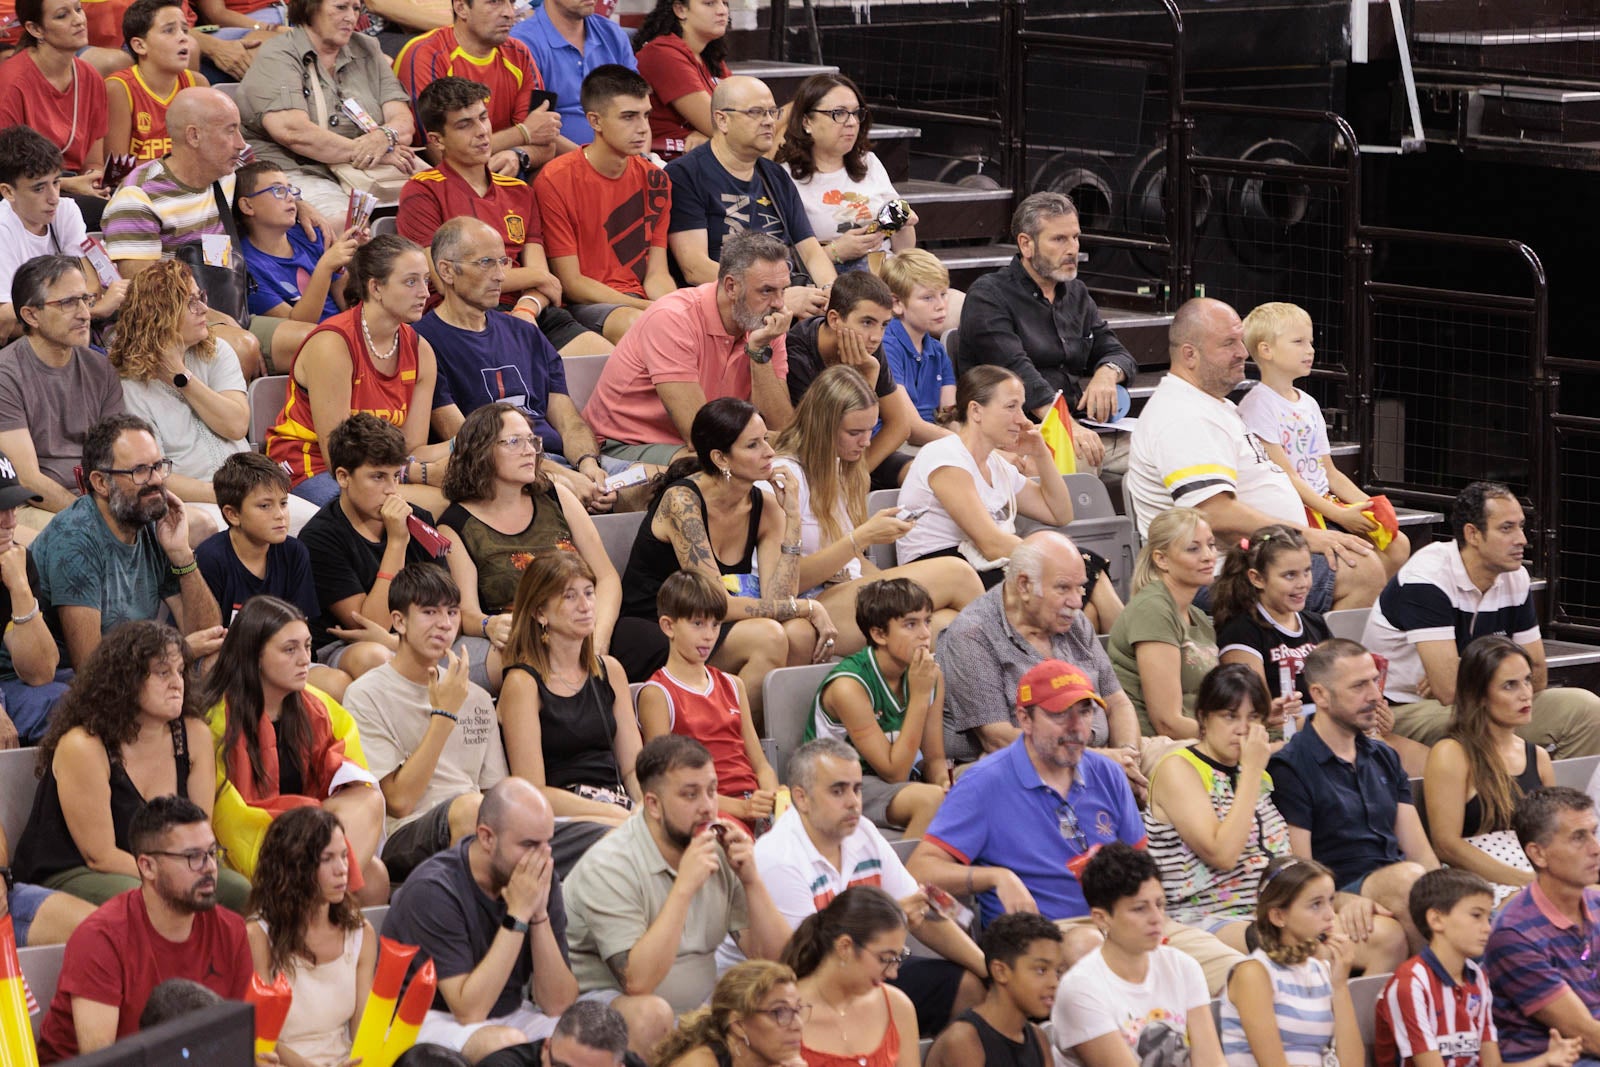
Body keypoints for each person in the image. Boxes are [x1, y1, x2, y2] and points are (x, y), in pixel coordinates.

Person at [907, 659, 1244, 995]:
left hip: (1124, 923)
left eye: (1085, 712)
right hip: (1047, 934)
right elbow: (920, 869)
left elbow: (1139, 867)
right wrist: (997, 877)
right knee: (1091, 948)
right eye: (1059, 714)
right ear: (1024, 718)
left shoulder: (1106, 772)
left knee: (1245, 974)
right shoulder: (984, 783)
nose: (1076, 727)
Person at [1126, 296, 1384, 612]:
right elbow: (1215, 513)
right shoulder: (1183, 416)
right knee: (1362, 571)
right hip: (1215, 574)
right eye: (1228, 343)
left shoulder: (1214, 405)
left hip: (1259, 554)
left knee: (1378, 549)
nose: (1243, 352)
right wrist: (1306, 538)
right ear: (1190, 355)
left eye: (1241, 340)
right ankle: (1314, 660)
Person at [750, 738, 986, 1037]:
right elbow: (803, 965)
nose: (853, 802)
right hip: (798, 996)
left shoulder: (862, 831)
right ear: (802, 798)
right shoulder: (778, 858)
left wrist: (988, 968)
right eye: (838, 791)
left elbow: (920, 911)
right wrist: (888, 921)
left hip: (864, 970)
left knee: (970, 987)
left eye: (857, 789)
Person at [609, 398, 840, 703]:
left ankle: (768, 742)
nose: (770, 452)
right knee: (768, 637)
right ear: (721, 458)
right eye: (753, 445)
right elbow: (715, 602)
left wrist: (793, 518)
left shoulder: (767, 507)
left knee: (799, 633)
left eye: (766, 441)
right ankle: (736, 742)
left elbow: (779, 599)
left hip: (707, 623)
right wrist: (810, 607)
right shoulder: (683, 502)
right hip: (656, 624)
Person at [10, 621, 247, 909]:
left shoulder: (194, 733)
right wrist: (174, 875)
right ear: (126, 681)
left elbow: (197, 830)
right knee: (145, 897)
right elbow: (100, 855)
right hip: (77, 869)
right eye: (163, 672)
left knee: (239, 891)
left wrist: (186, 869)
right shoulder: (84, 745)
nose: (177, 682)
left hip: (170, 863)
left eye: (180, 670)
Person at [1363, 479, 1600, 757]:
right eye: (1507, 528)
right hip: (1404, 709)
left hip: (1483, 701)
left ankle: (1547, 798)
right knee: (1484, 723)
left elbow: (1536, 674)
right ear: (1473, 534)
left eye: (1521, 526)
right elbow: (1449, 691)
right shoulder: (1427, 579)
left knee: (1587, 710)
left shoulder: (1516, 578)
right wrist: (1495, 675)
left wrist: (1467, 670)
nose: (1522, 539)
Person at [563, 735, 788, 1025]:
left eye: (712, 791)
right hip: (604, 1008)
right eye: (690, 795)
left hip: (697, 1004)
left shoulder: (720, 848)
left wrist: (751, 880)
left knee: (789, 995)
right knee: (652, 1016)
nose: (708, 807)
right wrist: (684, 887)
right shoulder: (610, 865)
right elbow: (637, 982)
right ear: (653, 805)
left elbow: (778, 958)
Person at [422, 222, 636, 514]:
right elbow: (469, 442)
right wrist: (559, 475)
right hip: (501, 474)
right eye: (486, 263)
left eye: (503, 262)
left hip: (563, 464)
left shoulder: (525, 332)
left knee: (669, 487)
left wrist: (588, 464)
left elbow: (567, 419)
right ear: (446, 271)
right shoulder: (424, 343)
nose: (500, 275)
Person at [767, 362, 980, 649]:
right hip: (810, 606)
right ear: (822, 425)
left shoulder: (839, 468)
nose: (867, 442)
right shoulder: (784, 477)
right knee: (959, 574)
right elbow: (782, 585)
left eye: (870, 430)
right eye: (855, 432)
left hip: (846, 592)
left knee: (946, 624)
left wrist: (889, 583)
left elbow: (855, 564)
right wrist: (862, 537)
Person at [398, 77, 608, 358]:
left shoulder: (520, 191)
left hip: (531, 311)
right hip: (466, 318)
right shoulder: (422, 190)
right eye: (464, 124)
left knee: (607, 365)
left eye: (483, 118)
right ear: (437, 140)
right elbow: (446, 280)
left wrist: (527, 307)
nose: (482, 132)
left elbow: (543, 281)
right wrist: (534, 276)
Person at [199, 595, 389, 903]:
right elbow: (226, 818)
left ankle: (309, 904)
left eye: (307, 645)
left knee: (375, 872)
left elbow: (349, 780)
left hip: (310, 841)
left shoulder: (320, 708)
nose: (304, 659)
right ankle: (310, 908)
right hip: (249, 841)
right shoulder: (214, 722)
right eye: (290, 649)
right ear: (254, 655)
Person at [34, 795, 252, 1063]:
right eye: (192, 857)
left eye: (211, 853)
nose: (208, 868)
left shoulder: (232, 930)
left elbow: (237, 1039)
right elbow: (103, 1061)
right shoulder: (101, 938)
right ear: (147, 866)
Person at [382, 777, 579, 1061]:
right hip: (425, 1020)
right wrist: (518, 915)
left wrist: (539, 915)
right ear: (487, 837)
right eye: (529, 845)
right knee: (506, 1045)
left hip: (506, 1013)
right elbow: (469, 1009)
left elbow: (559, 1003)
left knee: (582, 1038)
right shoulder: (434, 889)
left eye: (547, 843)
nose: (542, 858)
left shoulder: (537, 878)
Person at [101, 86, 285, 379]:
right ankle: (234, 424)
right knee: (243, 348)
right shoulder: (137, 196)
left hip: (228, 309)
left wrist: (304, 207)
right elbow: (148, 292)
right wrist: (216, 318)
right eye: (230, 131)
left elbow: (268, 177)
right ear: (194, 136)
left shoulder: (225, 174)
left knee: (321, 343)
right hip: (167, 325)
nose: (241, 144)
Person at [1268, 638, 1438, 950]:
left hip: (1400, 880)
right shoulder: (1289, 767)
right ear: (1319, 694)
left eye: (1375, 681)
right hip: (1339, 888)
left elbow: (1421, 854)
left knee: (1465, 902)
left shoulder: (1384, 756)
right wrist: (1339, 899)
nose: (1375, 695)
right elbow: (1299, 868)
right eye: (1359, 686)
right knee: (1409, 881)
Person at [343, 563, 507, 886]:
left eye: (452, 613)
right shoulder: (365, 695)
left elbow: (493, 790)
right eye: (430, 612)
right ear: (399, 622)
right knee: (473, 810)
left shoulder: (472, 695)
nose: (444, 624)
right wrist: (443, 716)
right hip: (406, 833)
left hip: (474, 819)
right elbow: (399, 802)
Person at [581, 230, 795, 467]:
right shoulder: (673, 319)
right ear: (732, 286)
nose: (778, 303)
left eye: (783, 290)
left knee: (794, 454)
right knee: (718, 466)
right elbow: (699, 434)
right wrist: (767, 442)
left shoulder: (766, 324)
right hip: (623, 443)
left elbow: (782, 427)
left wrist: (759, 353)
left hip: (703, 443)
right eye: (767, 290)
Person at [935, 531, 1142, 777]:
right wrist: (1101, 761)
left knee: (1178, 762)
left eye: (1081, 588)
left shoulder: (1071, 619)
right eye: (1063, 588)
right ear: (1024, 585)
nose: (1076, 602)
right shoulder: (972, 634)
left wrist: (1128, 756)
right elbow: (998, 739)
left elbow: (1117, 702)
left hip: (1106, 755)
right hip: (1014, 766)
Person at [959, 193, 1138, 476]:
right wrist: (1068, 428)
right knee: (1077, 462)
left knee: (1169, 451)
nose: (1072, 249)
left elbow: (1116, 352)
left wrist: (1107, 373)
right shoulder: (989, 295)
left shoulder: (1076, 293)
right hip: (1020, 432)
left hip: (1083, 426)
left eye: (1075, 237)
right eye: (1059, 239)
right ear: (1026, 244)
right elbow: (1016, 372)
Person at [267, 236, 451, 509]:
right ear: (376, 287)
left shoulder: (421, 350)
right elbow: (339, 458)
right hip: (313, 467)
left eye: (426, 280)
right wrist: (420, 473)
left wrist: (466, 447)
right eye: (411, 281)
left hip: (382, 471)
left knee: (465, 496)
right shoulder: (333, 344)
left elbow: (411, 449)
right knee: (427, 507)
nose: (425, 292)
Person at [29, 414, 225, 669]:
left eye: (158, 466)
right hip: (58, 680)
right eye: (140, 471)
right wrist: (182, 651)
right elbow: (90, 668)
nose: (156, 480)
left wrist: (181, 554)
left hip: (131, 668)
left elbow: (209, 636)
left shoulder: (152, 523)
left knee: (215, 663)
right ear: (101, 483)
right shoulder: (75, 539)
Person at [440, 403, 623, 676]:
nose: (529, 450)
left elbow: (607, 577)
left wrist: (599, 636)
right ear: (481, 451)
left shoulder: (556, 495)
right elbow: (466, 611)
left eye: (531, 441)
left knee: (654, 643)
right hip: (530, 635)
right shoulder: (456, 524)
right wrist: (487, 624)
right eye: (514, 442)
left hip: (589, 623)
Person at [1239, 301, 1410, 578]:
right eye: (1298, 342)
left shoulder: (1308, 403)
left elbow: (1328, 471)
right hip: (1299, 511)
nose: (1310, 350)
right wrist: (1339, 515)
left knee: (1397, 544)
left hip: (1327, 501)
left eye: (1311, 342)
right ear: (1265, 350)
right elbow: (1288, 477)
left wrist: (1369, 507)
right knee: (1365, 562)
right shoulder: (1258, 405)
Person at [497, 550, 639, 857]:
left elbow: (632, 771)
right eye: (570, 596)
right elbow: (532, 791)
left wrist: (645, 813)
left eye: (589, 593)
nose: (586, 606)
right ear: (540, 613)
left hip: (618, 807)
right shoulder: (523, 683)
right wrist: (613, 815)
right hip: (561, 815)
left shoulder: (610, 670)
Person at [1143, 664, 1291, 950]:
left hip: (1272, 909)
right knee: (1288, 943)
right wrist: (1250, 772)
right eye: (1230, 716)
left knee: (1380, 937)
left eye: (1254, 717)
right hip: (1203, 917)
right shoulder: (1179, 768)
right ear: (1203, 718)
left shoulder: (1253, 772)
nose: (1243, 729)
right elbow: (1222, 854)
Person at [665, 76, 834, 320]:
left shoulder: (775, 174)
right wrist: (776, 296)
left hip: (787, 300)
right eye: (756, 112)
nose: (769, 122)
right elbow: (695, 268)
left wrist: (829, 295)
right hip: (725, 309)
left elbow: (810, 252)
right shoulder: (685, 174)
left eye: (772, 112)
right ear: (722, 120)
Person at [235, 0, 421, 221]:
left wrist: (385, 136)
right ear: (310, 7)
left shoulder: (368, 48)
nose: (351, 17)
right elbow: (294, 133)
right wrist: (369, 151)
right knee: (346, 223)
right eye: (341, 7)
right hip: (298, 171)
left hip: (366, 170)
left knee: (431, 205)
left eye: (355, 8)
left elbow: (402, 120)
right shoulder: (278, 54)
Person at [894, 366, 1074, 589]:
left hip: (978, 565)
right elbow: (990, 543)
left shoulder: (996, 465)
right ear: (976, 411)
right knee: (1063, 579)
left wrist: (1041, 453)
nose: (1021, 419)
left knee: (1085, 573)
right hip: (939, 570)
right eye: (1011, 407)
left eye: (1021, 407)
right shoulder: (945, 455)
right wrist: (1056, 561)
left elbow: (1060, 514)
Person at [297, 413, 449, 676]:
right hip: (346, 647)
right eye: (378, 477)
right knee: (377, 657)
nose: (392, 490)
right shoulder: (320, 538)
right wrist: (397, 542)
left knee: (508, 649)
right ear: (344, 477)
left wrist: (398, 642)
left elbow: (446, 607)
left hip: (420, 638)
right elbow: (371, 624)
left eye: (395, 476)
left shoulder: (419, 519)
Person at [533, 64, 676, 343]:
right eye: (629, 117)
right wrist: (649, 309)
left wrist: (675, 306)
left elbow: (657, 274)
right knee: (639, 325)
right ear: (595, 121)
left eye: (646, 115)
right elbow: (573, 284)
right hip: (587, 305)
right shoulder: (555, 179)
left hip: (640, 302)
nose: (643, 128)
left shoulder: (657, 179)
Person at [1378, 868, 1575, 1067]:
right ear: (1436, 920)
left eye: (1488, 918)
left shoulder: (1478, 977)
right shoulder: (1411, 984)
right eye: (1476, 915)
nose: (1487, 927)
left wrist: (1546, 1060)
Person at [1050, 843, 1225, 1067]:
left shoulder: (1183, 966)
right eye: (1139, 908)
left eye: (1160, 904)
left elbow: (1211, 1060)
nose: (1156, 918)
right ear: (1102, 918)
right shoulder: (1080, 989)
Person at [107, 258, 251, 528]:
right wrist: (225, 495)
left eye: (201, 297)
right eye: (190, 303)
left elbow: (236, 425)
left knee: (311, 524)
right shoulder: (129, 385)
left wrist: (182, 377)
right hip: (190, 502)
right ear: (160, 315)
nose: (204, 309)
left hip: (248, 490)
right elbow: (154, 474)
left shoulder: (217, 352)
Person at [195, 453, 346, 701]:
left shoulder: (294, 552)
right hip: (232, 663)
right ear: (233, 514)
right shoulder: (211, 558)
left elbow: (300, 627)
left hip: (285, 659)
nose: (280, 515)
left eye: (283, 503)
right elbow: (208, 642)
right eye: (265, 506)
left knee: (337, 684)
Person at [638, 570, 778, 834]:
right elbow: (666, 781)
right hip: (708, 813)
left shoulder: (733, 685)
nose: (709, 636)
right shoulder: (657, 693)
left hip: (752, 805)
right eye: (697, 624)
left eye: (715, 624)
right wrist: (742, 809)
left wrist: (771, 797)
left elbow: (760, 763)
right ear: (668, 626)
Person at [807, 578, 948, 838]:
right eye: (910, 624)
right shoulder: (848, 686)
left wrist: (945, 784)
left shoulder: (930, 675)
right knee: (929, 800)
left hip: (894, 784)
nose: (926, 634)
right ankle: (913, 878)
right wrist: (919, 695)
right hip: (839, 786)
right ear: (879, 634)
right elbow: (895, 772)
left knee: (982, 784)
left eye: (927, 621)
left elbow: (935, 758)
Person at [1422, 636, 1554, 900]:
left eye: (1527, 680)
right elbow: (1446, 845)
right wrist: (1527, 882)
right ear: (1479, 695)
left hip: (1537, 873)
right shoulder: (1451, 753)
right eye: (1509, 686)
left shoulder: (1538, 757)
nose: (1525, 693)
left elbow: (1552, 833)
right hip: (1478, 883)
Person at [247, 806, 378, 1067]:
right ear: (295, 866)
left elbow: (365, 1029)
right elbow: (261, 1036)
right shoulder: (257, 936)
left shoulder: (361, 933)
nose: (342, 869)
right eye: (327, 858)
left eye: (343, 856)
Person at [0, 255, 125, 524]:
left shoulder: (101, 368)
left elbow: (118, 456)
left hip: (99, 499)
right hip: (35, 507)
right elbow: (27, 481)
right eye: (68, 302)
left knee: (195, 525)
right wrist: (98, 520)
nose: (84, 313)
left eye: (86, 299)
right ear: (31, 315)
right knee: (86, 543)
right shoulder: (5, 375)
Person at [1483, 787, 1600, 1064]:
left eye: (1594, 833)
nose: (1595, 849)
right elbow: (1586, 1036)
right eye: (1578, 837)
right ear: (1539, 854)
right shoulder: (1514, 935)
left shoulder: (1596, 904)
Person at [1218, 856, 1363, 1067]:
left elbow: (1354, 1064)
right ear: (1278, 916)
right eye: (1316, 905)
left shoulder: (1322, 970)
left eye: (1331, 900)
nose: (1331, 915)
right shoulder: (1253, 974)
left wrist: (1340, 986)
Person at [391, 0, 563, 174]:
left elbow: (546, 144)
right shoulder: (424, 55)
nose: (509, 13)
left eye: (511, 2)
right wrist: (522, 133)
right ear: (461, 8)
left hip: (509, 178)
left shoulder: (519, 53)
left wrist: (518, 154)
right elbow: (439, 153)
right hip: (443, 187)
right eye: (494, 2)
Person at [780, 272, 918, 487]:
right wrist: (867, 378)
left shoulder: (868, 347)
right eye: (867, 322)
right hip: (809, 462)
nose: (876, 336)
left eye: (883, 325)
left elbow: (900, 425)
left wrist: (854, 476)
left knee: (920, 473)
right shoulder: (797, 350)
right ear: (834, 319)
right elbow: (820, 438)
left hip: (854, 456)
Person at [777, 73, 919, 273]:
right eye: (839, 113)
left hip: (885, 273)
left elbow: (904, 250)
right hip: (831, 281)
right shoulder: (783, 177)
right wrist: (835, 252)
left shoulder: (868, 162)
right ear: (806, 122)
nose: (852, 122)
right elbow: (779, 260)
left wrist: (903, 223)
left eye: (856, 113)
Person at [0, 128, 126, 342]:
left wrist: (57, 307)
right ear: (8, 192)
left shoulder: (65, 210)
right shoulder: (3, 230)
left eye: (56, 183)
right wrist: (94, 311)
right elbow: (6, 321)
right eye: (39, 188)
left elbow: (91, 287)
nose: (54, 198)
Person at [1107, 507, 1221, 739]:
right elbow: (1167, 723)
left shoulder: (1197, 615)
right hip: (1158, 746)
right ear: (1161, 559)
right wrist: (1233, 737)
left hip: (1201, 738)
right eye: (1193, 548)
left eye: (1211, 544)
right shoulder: (1153, 610)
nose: (1209, 555)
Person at [779, 885, 919, 1067]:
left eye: (898, 959)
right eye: (884, 959)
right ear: (845, 947)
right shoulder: (781, 1012)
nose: (892, 973)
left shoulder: (897, 1006)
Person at [1212, 524, 1328, 727]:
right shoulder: (1241, 631)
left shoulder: (1316, 623)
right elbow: (1256, 713)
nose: (1303, 583)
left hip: (1324, 724)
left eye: (1307, 571)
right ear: (1257, 578)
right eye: (1290, 575)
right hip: (1281, 737)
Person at [235, 160, 360, 341]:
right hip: (312, 344)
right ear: (247, 206)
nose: (291, 197)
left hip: (347, 332)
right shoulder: (247, 267)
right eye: (278, 190)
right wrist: (325, 266)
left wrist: (350, 256)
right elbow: (298, 325)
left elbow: (350, 304)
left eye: (291, 189)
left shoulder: (310, 236)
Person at [0, 0, 109, 205]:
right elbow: (8, 173)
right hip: (26, 193)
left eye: (78, 9)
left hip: (73, 188)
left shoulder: (91, 77)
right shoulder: (12, 82)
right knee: (107, 212)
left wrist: (92, 180)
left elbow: (93, 161)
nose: (78, 20)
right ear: (35, 29)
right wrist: (67, 184)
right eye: (62, 15)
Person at [923, 914, 1063, 1067]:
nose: (1054, 983)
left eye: (1057, 972)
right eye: (1041, 970)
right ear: (1000, 971)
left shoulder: (1038, 1037)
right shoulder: (963, 1041)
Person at [0, 452, 68, 745]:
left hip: (9, 683)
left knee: (105, 697)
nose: (10, 521)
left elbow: (40, 672)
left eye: (13, 507)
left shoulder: (16, 560)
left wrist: (19, 588)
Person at [511, 0, 638, 147]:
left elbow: (640, 110)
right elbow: (538, 128)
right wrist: (591, 161)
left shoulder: (613, 35)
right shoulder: (523, 43)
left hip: (622, 157)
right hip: (560, 164)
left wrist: (640, 160)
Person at [104, 0, 206, 163]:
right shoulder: (119, 88)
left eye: (185, 30)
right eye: (169, 30)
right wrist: (178, 168)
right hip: (137, 186)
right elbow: (117, 168)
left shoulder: (197, 84)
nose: (183, 38)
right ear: (139, 45)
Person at [654, 960, 806, 1067]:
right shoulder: (698, 1063)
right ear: (738, 1024)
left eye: (797, 1009)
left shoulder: (779, 1061)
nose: (797, 1025)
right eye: (778, 1012)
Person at [878, 250, 956, 446]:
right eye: (928, 298)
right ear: (896, 303)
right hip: (894, 445)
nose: (941, 306)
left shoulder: (937, 351)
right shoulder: (886, 346)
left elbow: (950, 416)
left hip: (933, 441)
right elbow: (910, 427)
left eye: (944, 294)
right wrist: (966, 446)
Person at [631, 0, 728, 159]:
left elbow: (739, 113)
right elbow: (720, 126)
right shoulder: (662, 54)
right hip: (670, 163)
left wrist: (707, 135)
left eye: (725, 3)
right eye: (709, 3)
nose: (722, 10)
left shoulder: (711, 57)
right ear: (680, 9)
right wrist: (711, 135)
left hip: (706, 158)